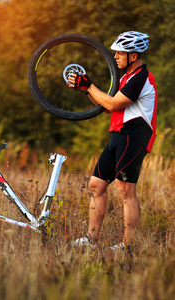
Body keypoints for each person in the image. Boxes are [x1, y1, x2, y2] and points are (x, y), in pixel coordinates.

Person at [67, 31, 157, 251]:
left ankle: (128, 246)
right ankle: (91, 239)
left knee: (126, 190)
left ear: (133, 56)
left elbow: (114, 104)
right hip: (118, 134)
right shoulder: (127, 78)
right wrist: (85, 87)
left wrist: (89, 86)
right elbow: (107, 106)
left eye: (119, 53)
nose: (116, 57)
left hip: (134, 135)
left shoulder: (141, 77)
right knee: (96, 185)